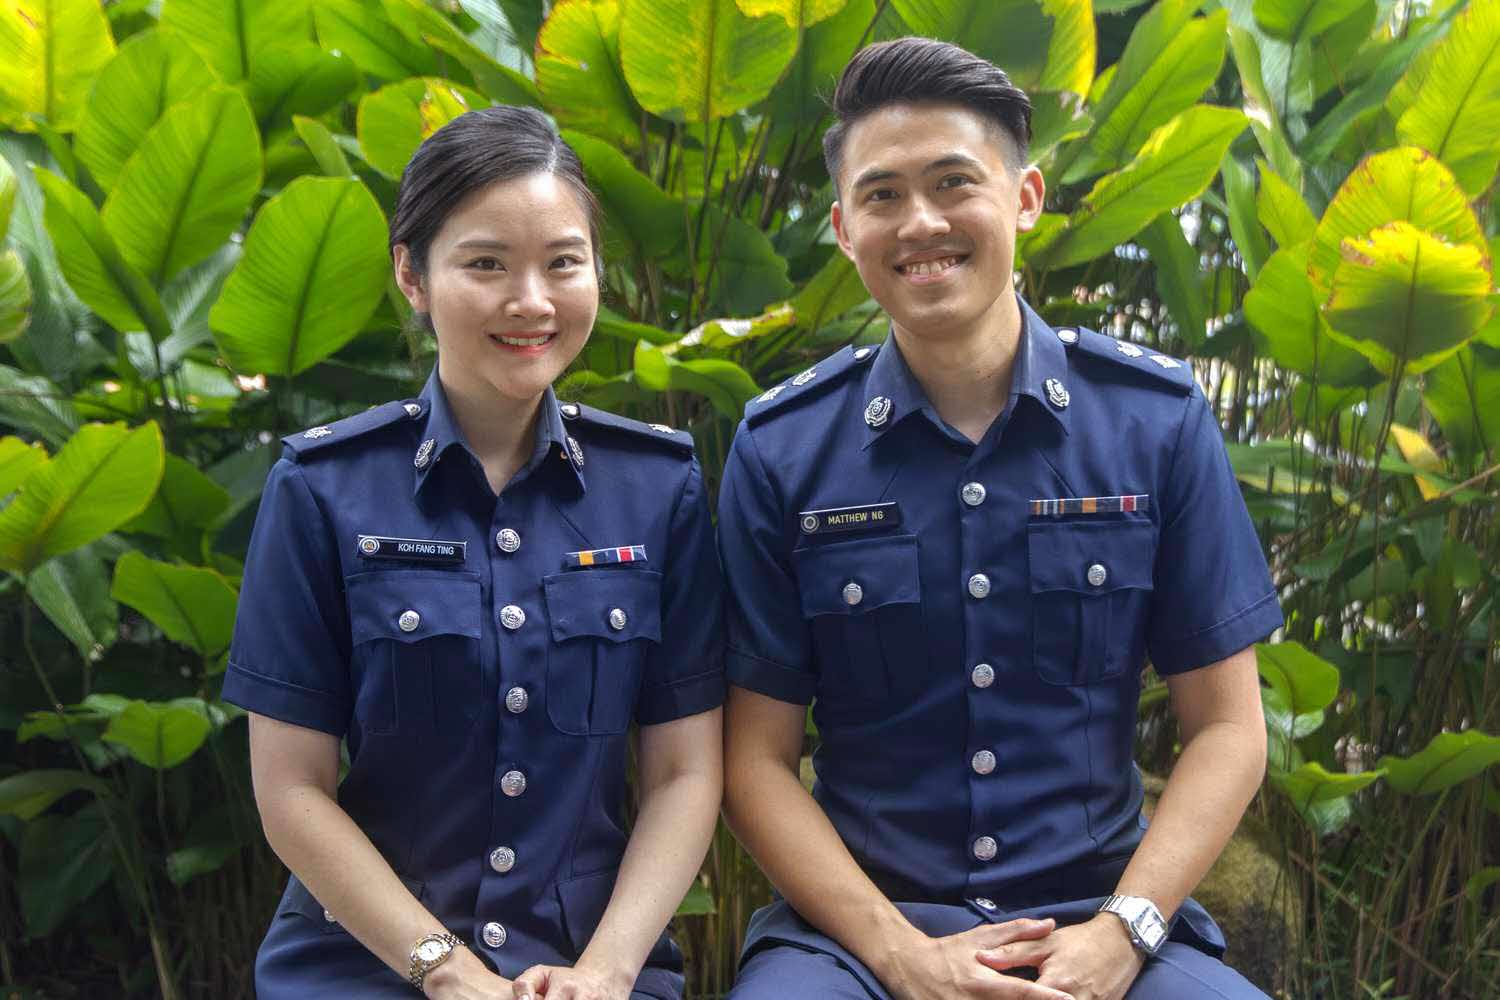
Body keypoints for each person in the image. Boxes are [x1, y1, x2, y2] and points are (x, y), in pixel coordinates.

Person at [717, 37, 1283, 1000]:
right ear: (845, 230)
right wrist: (897, 954)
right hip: (858, 940)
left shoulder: (1153, 422)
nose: (921, 222)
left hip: (1103, 916)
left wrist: (1123, 933)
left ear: (1024, 197)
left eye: (953, 183)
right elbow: (753, 761)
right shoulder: (782, 449)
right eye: (883, 195)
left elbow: (1229, 727)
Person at [222, 106, 725, 1000]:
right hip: (365, 965)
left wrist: (606, 974)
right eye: (486, 263)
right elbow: (291, 792)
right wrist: (447, 973)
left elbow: (685, 771)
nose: (531, 301)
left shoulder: (659, 489)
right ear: (412, 275)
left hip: (591, 966)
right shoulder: (321, 488)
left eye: (563, 264)